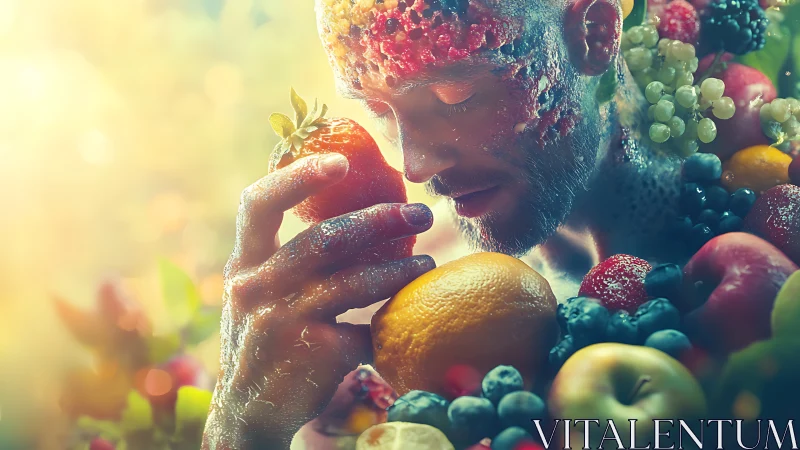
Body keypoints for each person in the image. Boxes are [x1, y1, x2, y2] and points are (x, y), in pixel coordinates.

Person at [202, 0, 686, 448]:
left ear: (595, 34)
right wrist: (241, 425)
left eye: (457, 94)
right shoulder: (394, 317)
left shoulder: (742, 222)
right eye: (379, 111)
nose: (414, 165)